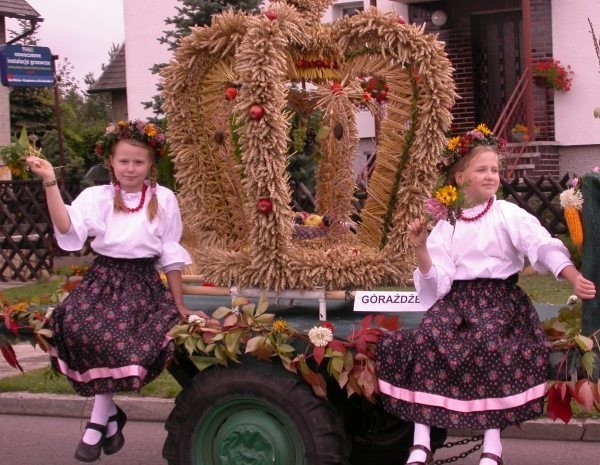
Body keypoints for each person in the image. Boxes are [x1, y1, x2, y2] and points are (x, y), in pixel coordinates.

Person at [376, 125, 596, 465]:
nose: (491, 176)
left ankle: (492, 444)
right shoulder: (447, 223)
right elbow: (439, 281)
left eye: (495, 169)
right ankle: (421, 440)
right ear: (460, 178)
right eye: (482, 169)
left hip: (500, 302)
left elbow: (541, 245)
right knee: (426, 342)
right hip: (456, 302)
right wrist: (421, 249)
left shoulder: (507, 214)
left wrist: (572, 276)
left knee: (492, 344)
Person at [25, 120, 192, 463]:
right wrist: (50, 182)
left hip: (142, 283)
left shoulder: (163, 198)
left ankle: (100, 421)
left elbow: (170, 253)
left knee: (122, 339)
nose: (131, 169)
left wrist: (179, 304)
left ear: (150, 165)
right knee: (76, 326)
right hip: (103, 279)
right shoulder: (96, 197)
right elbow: (67, 228)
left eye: (139, 162)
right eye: (124, 161)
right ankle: (109, 418)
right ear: (111, 163)